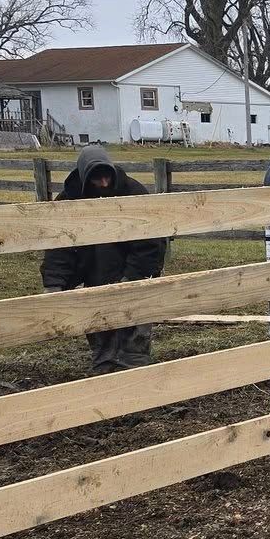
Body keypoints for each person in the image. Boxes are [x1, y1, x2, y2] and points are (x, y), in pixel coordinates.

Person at [40, 144, 167, 374]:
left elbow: (151, 243)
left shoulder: (133, 193)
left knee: (134, 335)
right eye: (97, 180)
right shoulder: (70, 198)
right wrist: (54, 283)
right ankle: (104, 378)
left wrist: (133, 277)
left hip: (131, 274)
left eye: (107, 178)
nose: (104, 184)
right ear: (85, 177)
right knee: (101, 333)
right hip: (95, 275)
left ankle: (136, 382)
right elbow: (59, 247)